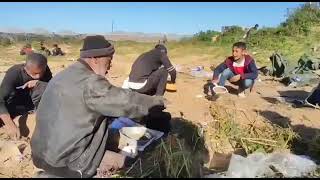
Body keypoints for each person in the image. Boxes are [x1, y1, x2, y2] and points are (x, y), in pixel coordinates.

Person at [31, 35, 168, 178]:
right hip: (66, 163)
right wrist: (157, 102)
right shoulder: (90, 82)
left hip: (40, 154)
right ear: (95, 59)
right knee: (133, 162)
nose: (110, 65)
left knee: (111, 134)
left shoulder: (65, 74)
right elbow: (125, 101)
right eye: (109, 60)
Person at [0, 53, 52, 138]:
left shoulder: (45, 70)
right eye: (34, 73)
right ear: (25, 68)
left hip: (33, 106)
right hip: (14, 105)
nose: (38, 76)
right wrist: (10, 125)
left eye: (41, 72)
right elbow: (0, 100)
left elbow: (53, 88)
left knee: (42, 87)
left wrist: (39, 83)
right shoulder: (14, 73)